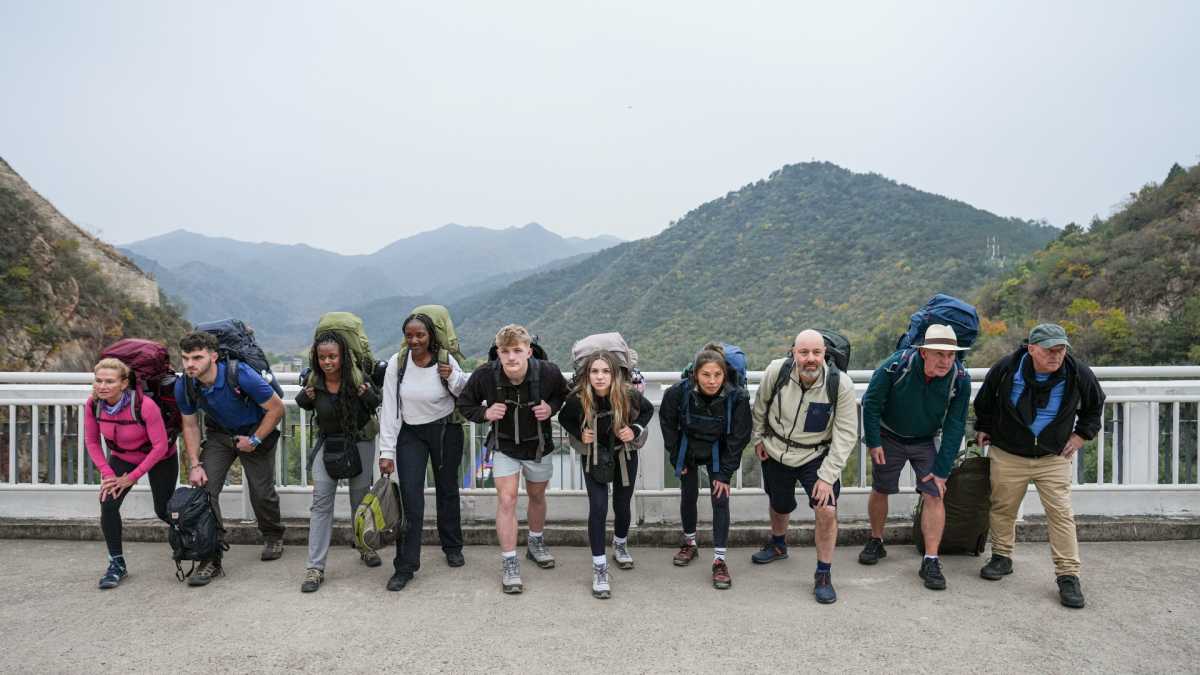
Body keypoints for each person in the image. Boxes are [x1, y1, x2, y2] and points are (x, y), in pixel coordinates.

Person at [973, 324, 1105, 608]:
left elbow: (1095, 404)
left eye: (1061, 349)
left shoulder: (1077, 372)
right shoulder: (1007, 368)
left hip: (1053, 456)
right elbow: (985, 400)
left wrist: (1081, 435)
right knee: (1003, 507)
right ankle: (1002, 556)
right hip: (1008, 452)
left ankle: (1068, 575)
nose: (1056, 355)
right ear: (1031, 348)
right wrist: (983, 426)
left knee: (1061, 514)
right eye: (1049, 350)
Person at [858, 324, 972, 590]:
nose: (946, 361)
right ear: (923, 352)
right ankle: (876, 540)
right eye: (939, 354)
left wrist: (942, 469)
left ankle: (931, 559)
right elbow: (871, 403)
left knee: (935, 493)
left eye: (951, 355)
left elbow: (956, 423)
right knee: (881, 488)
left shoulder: (960, 378)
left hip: (926, 439)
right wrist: (874, 442)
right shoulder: (895, 366)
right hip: (889, 436)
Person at [457, 324, 569, 594]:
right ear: (498, 352)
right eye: (505, 351)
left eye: (517, 350)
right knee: (506, 500)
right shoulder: (485, 375)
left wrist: (550, 408)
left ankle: (535, 542)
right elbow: (464, 404)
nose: (511, 357)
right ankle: (509, 561)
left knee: (537, 496)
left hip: (538, 446)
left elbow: (564, 395)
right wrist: (485, 414)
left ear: (529, 351)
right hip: (504, 445)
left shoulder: (548, 372)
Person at [749, 330, 858, 604]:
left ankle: (823, 573)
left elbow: (846, 434)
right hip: (776, 448)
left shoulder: (839, 384)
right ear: (793, 353)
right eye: (804, 352)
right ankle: (778, 544)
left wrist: (828, 476)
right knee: (780, 503)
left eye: (816, 353)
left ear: (825, 354)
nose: (811, 359)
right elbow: (760, 405)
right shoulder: (777, 372)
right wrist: (758, 438)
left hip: (816, 453)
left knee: (827, 508)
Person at [175, 331, 286, 587]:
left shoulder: (240, 374)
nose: (190, 364)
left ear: (213, 357)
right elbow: (190, 425)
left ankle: (273, 535)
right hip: (219, 435)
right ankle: (210, 555)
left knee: (261, 492)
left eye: (197, 358)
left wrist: (254, 440)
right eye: (185, 358)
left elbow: (277, 408)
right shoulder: (185, 384)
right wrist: (195, 464)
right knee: (204, 492)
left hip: (255, 432)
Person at [377, 312, 470, 591]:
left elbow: (464, 391)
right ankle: (405, 566)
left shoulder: (445, 359)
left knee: (447, 489)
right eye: (409, 335)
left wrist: (452, 376)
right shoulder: (398, 363)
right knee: (410, 498)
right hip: (411, 433)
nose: (415, 340)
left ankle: (452, 546)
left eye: (420, 335)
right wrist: (386, 452)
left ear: (430, 335)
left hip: (445, 430)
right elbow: (390, 407)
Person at [558, 350, 654, 599]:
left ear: (614, 374)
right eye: (594, 371)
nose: (600, 377)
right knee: (598, 508)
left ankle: (620, 544)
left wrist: (634, 429)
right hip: (594, 456)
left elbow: (647, 411)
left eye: (605, 371)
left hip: (624, 454)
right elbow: (564, 418)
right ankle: (599, 567)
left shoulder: (627, 394)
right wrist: (580, 433)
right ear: (587, 374)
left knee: (622, 504)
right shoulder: (579, 398)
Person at [658, 342, 752, 590]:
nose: (712, 381)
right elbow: (668, 423)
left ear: (725, 374)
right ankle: (689, 543)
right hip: (688, 446)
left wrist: (725, 473)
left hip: (719, 450)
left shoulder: (737, 396)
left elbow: (739, 436)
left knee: (720, 499)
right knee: (688, 494)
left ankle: (719, 560)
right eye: (706, 375)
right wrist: (676, 456)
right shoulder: (678, 392)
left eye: (717, 375)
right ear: (695, 375)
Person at [294, 331, 382, 593]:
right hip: (328, 444)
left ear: (343, 356)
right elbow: (304, 404)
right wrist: (306, 396)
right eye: (322, 357)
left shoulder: (358, 379)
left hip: (360, 442)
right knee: (321, 503)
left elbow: (376, 402)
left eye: (332, 356)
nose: (327, 362)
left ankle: (365, 547)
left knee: (360, 499)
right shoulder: (314, 381)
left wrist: (365, 394)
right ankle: (315, 568)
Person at [84, 357, 178, 589]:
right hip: (122, 457)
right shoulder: (93, 404)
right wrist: (108, 474)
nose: (102, 386)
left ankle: (192, 537)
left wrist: (132, 477)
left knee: (163, 510)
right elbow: (92, 442)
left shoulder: (145, 405)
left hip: (159, 458)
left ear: (124, 383)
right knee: (108, 502)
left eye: (109, 381)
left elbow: (160, 446)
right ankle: (116, 564)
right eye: (98, 380)